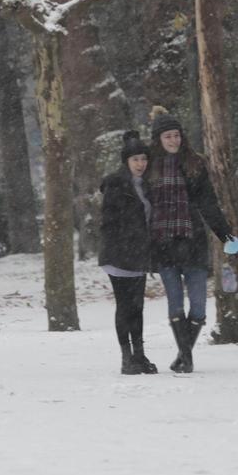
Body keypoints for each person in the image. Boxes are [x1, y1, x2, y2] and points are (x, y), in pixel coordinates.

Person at [146, 106, 236, 373]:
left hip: (192, 239)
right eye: (168, 137)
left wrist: (224, 233)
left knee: (198, 308)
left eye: (176, 135)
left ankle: (183, 356)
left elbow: (208, 202)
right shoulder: (149, 167)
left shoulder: (195, 163)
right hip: (163, 242)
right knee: (175, 303)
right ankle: (187, 358)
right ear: (158, 140)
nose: (174, 140)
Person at [98, 131, 158, 375]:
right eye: (135, 160)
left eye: (143, 159)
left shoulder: (147, 185)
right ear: (126, 162)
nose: (140, 164)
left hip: (139, 255)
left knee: (138, 306)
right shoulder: (115, 183)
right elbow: (109, 221)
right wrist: (124, 242)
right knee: (125, 306)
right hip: (119, 254)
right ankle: (126, 357)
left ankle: (140, 354)